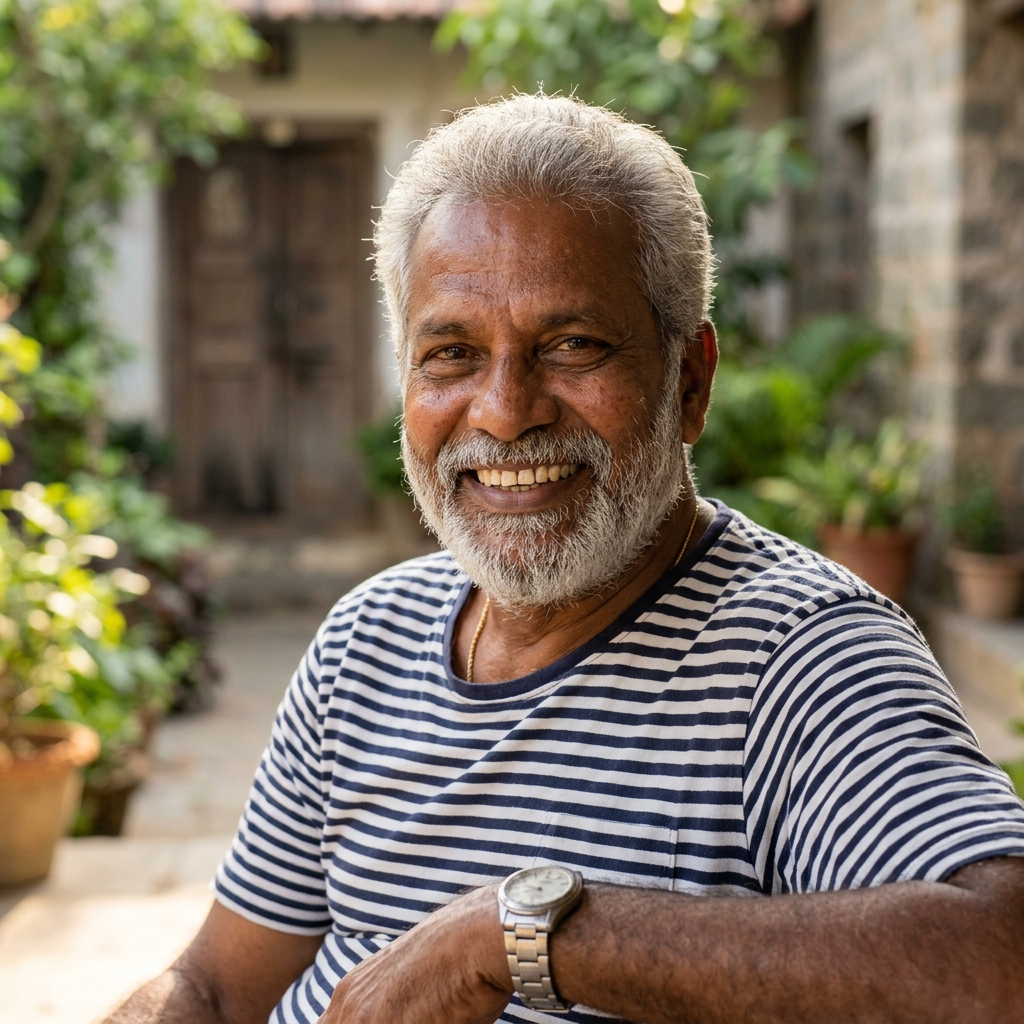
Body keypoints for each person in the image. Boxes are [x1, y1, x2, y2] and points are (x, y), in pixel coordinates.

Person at [110, 94, 1024, 1024]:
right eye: (452, 353)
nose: (506, 411)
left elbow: (1001, 962)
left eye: (573, 346)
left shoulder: (797, 654)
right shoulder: (367, 637)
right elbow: (215, 987)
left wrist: (524, 937)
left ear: (689, 381)